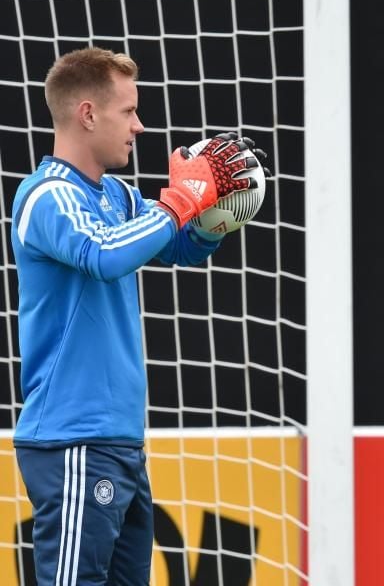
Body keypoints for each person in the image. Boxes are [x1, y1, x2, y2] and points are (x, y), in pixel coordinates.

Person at [11, 47, 269, 584]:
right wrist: (180, 200)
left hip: (118, 440)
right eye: (128, 111)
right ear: (87, 113)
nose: (140, 125)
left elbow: (177, 247)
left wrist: (217, 214)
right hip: (72, 440)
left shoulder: (119, 197)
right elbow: (104, 255)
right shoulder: (47, 196)